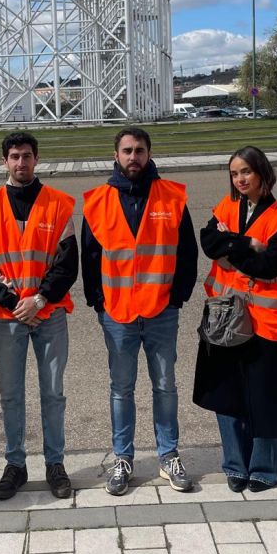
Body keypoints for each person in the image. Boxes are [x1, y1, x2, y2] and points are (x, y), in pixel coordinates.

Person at [81, 127, 198, 495]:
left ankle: (168, 455)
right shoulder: (98, 200)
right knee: (121, 388)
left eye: (140, 150)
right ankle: (123, 459)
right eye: (128, 151)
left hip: (161, 310)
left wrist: (176, 297)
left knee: (165, 385)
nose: (134, 157)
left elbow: (187, 253)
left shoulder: (171, 196)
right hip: (117, 313)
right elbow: (91, 256)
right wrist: (98, 302)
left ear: (149, 154)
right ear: (116, 155)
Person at [0, 131, 79, 500]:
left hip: (47, 313)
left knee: (53, 393)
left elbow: (68, 265)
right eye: (15, 156)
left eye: (27, 156)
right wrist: (16, 304)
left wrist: (38, 300)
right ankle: (15, 465)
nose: (21, 163)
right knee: (11, 395)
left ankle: (55, 463)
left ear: (37, 159)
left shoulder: (58, 204)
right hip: (8, 317)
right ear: (4, 161)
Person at [195, 146, 277, 493]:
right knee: (229, 397)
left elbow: (270, 265)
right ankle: (235, 464)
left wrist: (233, 248)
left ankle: (266, 467)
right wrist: (248, 243)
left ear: (262, 174)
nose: (240, 179)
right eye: (234, 173)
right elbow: (209, 240)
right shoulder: (226, 207)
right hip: (227, 318)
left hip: (267, 323)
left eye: (246, 172)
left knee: (266, 397)